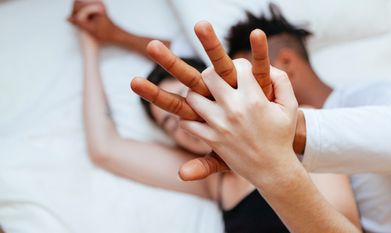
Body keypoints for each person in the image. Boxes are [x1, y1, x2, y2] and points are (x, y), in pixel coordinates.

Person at [73, 2, 361, 232]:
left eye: (193, 100)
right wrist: (88, 45)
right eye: (172, 121)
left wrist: (273, 166)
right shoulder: (215, 181)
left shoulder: (297, 127)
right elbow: (105, 149)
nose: (190, 117)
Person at [131, 5, 391, 233]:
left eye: (248, 79)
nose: (241, 96)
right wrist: (113, 34)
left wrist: (288, 137)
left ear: (285, 64)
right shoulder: (231, 167)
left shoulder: (367, 98)